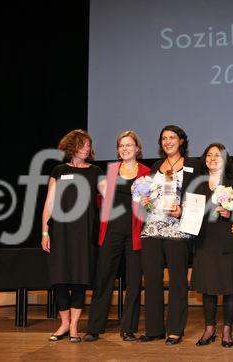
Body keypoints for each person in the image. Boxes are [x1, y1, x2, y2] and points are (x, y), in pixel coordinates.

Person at [83, 131, 150, 342]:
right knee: (103, 278)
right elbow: (100, 202)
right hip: (111, 230)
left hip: (135, 232)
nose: (125, 148)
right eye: (121, 145)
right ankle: (94, 328)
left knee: (133, 282)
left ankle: (128, 329)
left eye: (129, 145)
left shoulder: (147, 172)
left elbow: (150, 205)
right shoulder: (110, 170)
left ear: (137, 148)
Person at [138, 125, 201, 345]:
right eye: (164, 138)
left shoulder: (194, 165)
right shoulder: (155, 166)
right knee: (153, 280)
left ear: (182, 141)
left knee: (177, 281)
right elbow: (151, 195)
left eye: (172, 138)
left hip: (178, 229)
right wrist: (145, 202)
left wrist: (182, 211)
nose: (168, 142)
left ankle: (175, 330)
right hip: (152, 229)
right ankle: (154, 329)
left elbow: (199, 196)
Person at [41, 129, 104, 343]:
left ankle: (75, 326)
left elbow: (112, 194)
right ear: (72, 147)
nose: (87, 148)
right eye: (83, 144)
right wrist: (44, 230)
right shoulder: (58, 170)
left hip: (84, 233)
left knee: (80, 278)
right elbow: (49, 202)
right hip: (59, 231)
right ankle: (64, 324)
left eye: (89, 145)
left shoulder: (95, 171)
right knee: (58, 279)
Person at [191, 143, 233, 348]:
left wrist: (232, 214)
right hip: (204, 239)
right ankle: (210, 328)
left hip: (227, 238)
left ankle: (227, 329)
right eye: (209, 155)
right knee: (207, 286)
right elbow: (190, 210)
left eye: (218, 155)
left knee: (229, 287)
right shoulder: (197, 183)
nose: (213, 158)